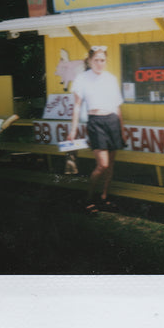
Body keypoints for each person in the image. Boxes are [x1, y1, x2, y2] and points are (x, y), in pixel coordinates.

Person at [68, 46, 127, 214]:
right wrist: (73, 130)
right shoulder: (82, 78)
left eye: (102, 60)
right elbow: (77, 106)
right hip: (95, 122)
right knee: (102, 165)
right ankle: (88, 199)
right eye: (96, 60)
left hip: (113, 121)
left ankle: (104, 197)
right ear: (89, 61)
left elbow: (117, 106)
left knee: (110, 165)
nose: (99, 63)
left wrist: (122, 130)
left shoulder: (111, 78)